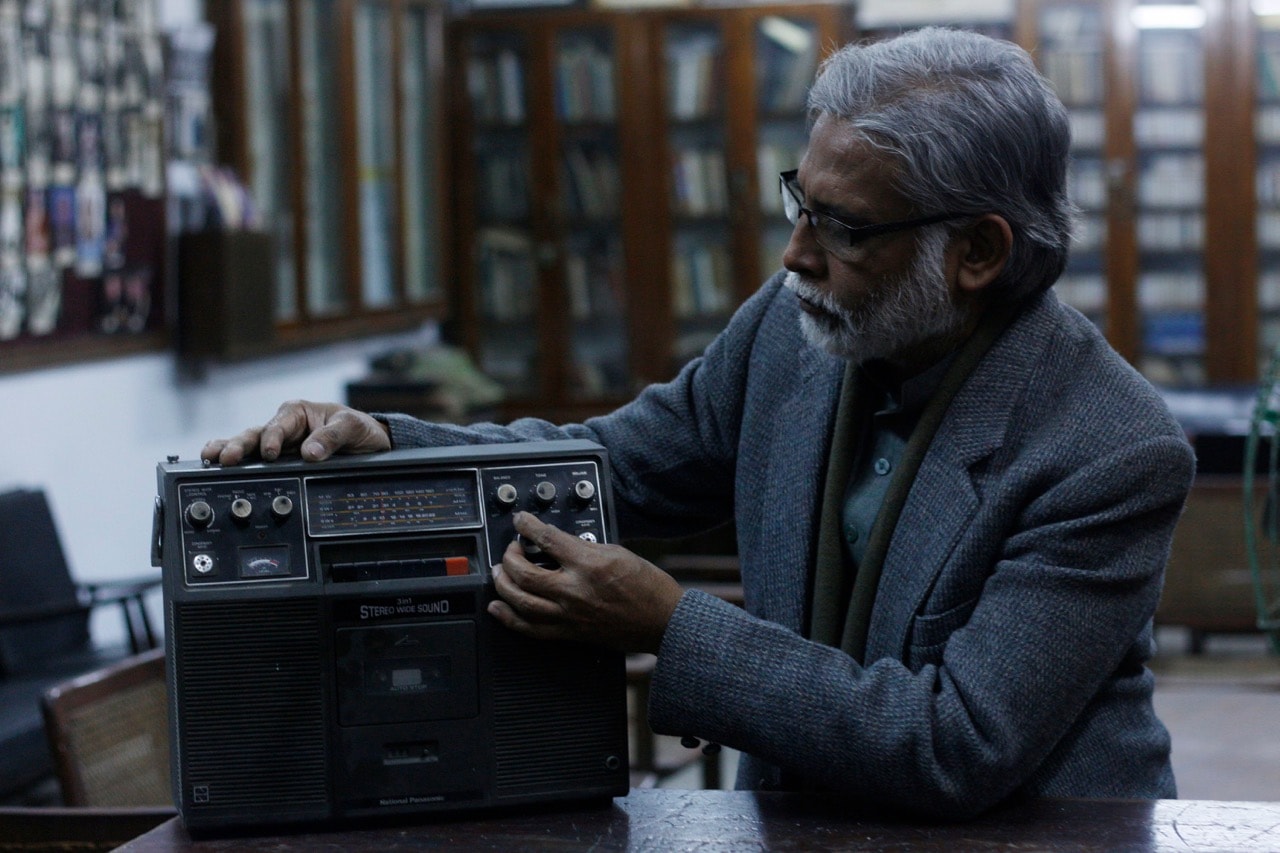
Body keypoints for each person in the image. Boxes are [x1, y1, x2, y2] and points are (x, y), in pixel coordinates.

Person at [203, 28, 1195, 819]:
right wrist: (391, 442)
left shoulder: (1106, 446)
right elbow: (612, 467)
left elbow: (953, 743)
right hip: (807, 820)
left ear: (976, 251)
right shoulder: (788, 330)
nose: (793, 257)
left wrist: (672, 627)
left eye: (842, 227)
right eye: (798, 204)